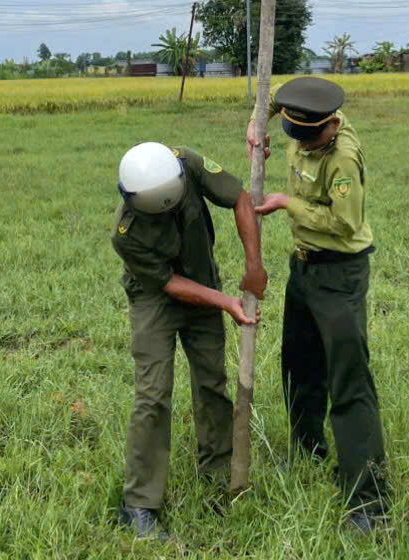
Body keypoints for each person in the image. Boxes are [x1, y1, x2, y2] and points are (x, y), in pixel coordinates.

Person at [247, 76, 389, 534]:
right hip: (302, 269)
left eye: (309, 139)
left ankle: (368, 500)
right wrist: (257, 122)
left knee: (348, 381)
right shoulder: (299, 119)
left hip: (339, 273)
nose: (302, 146)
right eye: (294, 136)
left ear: (329, 125)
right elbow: (271, 101)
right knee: (299, 366)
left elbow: (345, 225)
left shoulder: (343, 157)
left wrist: (288, 203)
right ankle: (307, 451)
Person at [112, 141, 267, 540]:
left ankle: (218, 475)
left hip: (202, 280)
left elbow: (240, 199)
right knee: (153, 393)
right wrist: (225, 302)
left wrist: (253, 267)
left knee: (212, 381)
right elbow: (167, 283)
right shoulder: (125, 234)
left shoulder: (187, 164)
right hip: (154, 298)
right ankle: (139, 506)